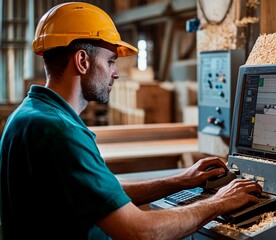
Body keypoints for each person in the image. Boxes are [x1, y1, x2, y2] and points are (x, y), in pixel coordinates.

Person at [0, 2, 262, 239]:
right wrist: (219, 202)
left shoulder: (28, 115)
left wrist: (180, 181)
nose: (116, 74)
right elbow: (140, 232)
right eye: (111, 61)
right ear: (82, 61)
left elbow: (102, 191)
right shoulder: (61, 132)